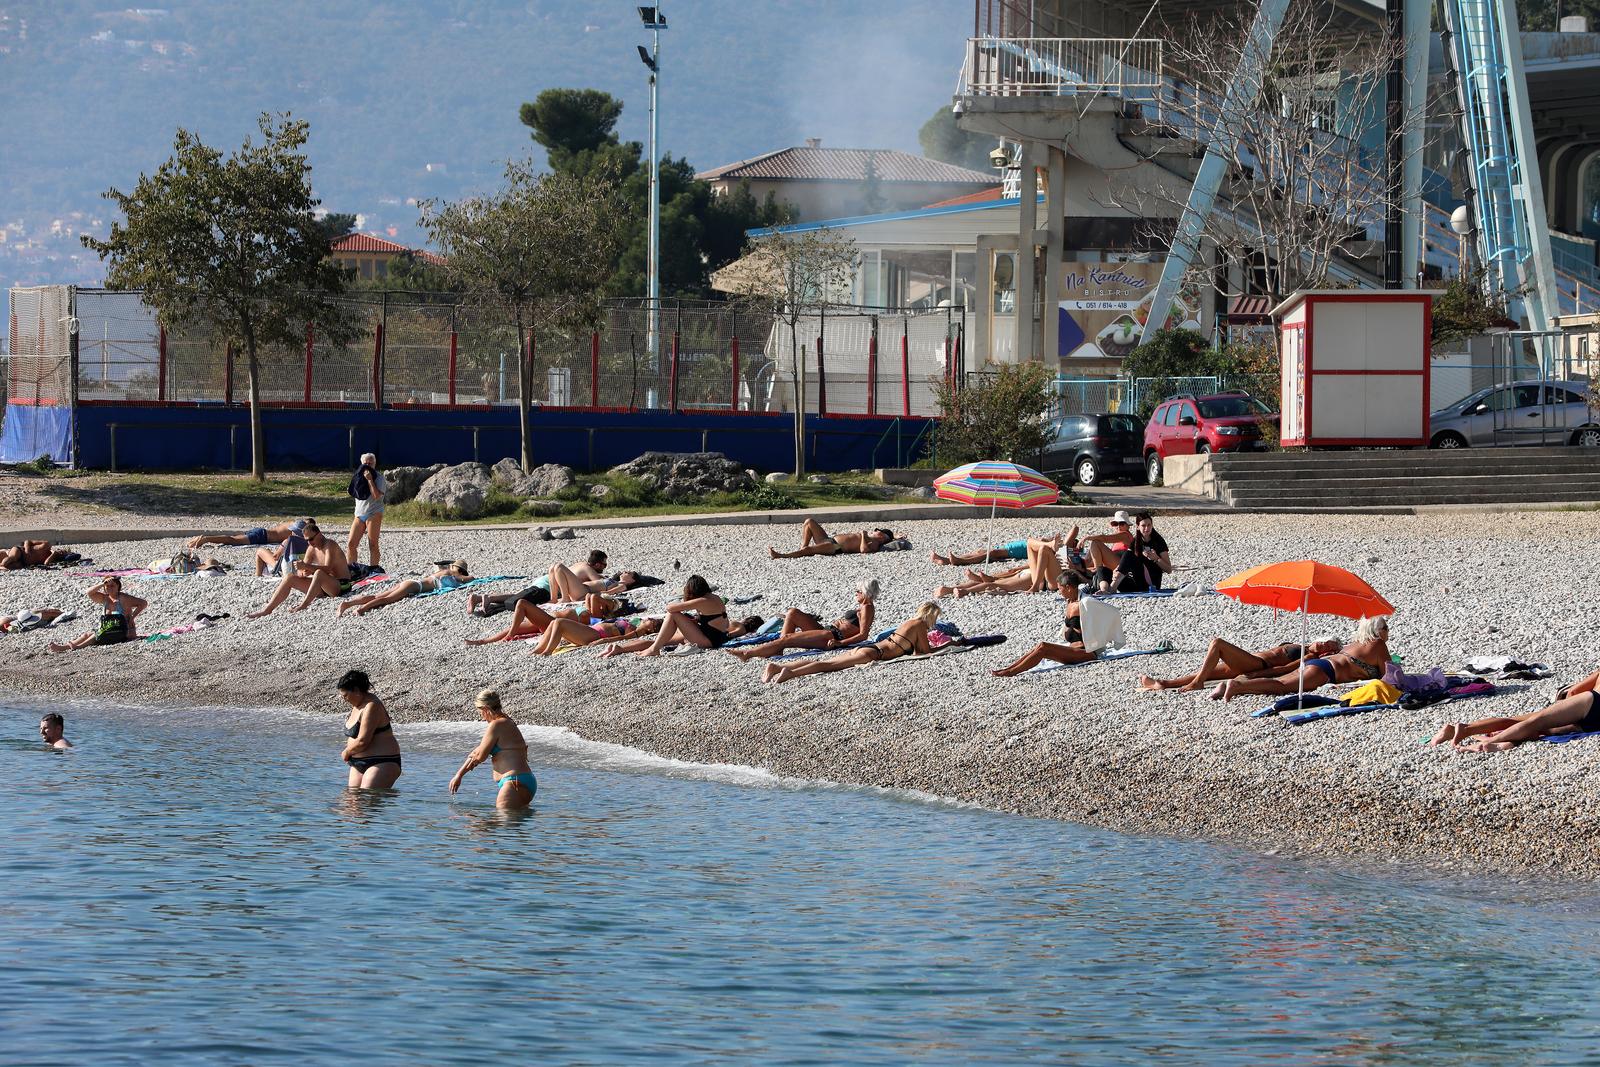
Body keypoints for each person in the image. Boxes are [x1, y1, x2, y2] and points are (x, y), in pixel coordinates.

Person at [1210, 617, 1392, 701]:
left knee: (1280, 681)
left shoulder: (1355, 643)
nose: (1388, 631)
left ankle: (1226, 686)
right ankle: (1237, 686)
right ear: (1378, 631)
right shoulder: (1378, 645)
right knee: (1281, 687)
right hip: (1325, 672)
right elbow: (1390, 677)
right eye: (1386, 628)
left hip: (1319, 665)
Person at [762, 602, 941, 684]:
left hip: (866, 649)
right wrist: (947, 646)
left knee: (823, 662)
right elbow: (923, 652)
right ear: (931, 616)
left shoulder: (908, 622)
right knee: (827, 665)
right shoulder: (920, 626)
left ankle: (777, 667)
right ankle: (789, 674)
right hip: (872, 654)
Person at [1432, 669, 1600, 751]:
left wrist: (1562, 706)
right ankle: (1476, 736)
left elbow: (1573, 692)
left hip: (1591, 702)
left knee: (1532, 721)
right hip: (1594, 723)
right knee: (1543, 730)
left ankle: (1470, 733)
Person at [596, 576, 754, 657]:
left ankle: (654, 649)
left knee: (673, 615)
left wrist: (685, 601)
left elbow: (670, 608)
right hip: (707, 636)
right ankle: (621, 649)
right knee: (659, 640)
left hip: (709, 641)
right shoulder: (714, 598)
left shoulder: (702, 600)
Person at [729, 580, 880, 660]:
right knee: (793, 612)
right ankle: (778, 649)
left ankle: (747, 654)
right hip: (826, 630)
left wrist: (840, 643)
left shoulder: (867, 608)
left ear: (866, 593)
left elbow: (863, 635)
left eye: (859, 590)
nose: (856, 592)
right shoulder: (862, 607)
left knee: (788, 637)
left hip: (831, 637)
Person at [1138, 637, 1342, 692]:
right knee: (1205, 670)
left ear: (1329, 652)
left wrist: (1256, 676)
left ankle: (1198, 683)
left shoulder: (1308, 658)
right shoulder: (1304, 644)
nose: (1322, 643)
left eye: (1328, 645)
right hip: (1250, 661)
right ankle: (1163, 683)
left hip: (1257, 665)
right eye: (1324, 639)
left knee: (1217, 644)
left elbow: (1284, 670)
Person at [448, 689, 535, 809]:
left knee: (499, 822)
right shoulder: (507, 722)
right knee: (509, 825)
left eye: (480, 712)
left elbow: (480, 756)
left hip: (513, 783)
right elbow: (478, 751)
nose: (482, 717)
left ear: (485, 709)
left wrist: (460, 774)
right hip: (521, 780)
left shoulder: (496, 725)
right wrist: (459, 775)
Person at [246, 520, 352, 617]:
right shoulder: (311, 548)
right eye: (307, 540)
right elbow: (301, 569)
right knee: (289, 577)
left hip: (341, 586)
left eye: (311, 539)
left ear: (319, 534)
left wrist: (307, 567)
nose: (310, 542)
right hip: (323, 587)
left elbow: (327, 569)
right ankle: (267, 609)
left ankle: (303, 605)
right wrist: (302, 572)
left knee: (318, 573)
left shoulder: (330, 545)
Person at [991, 582, 1095, 676]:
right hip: (1074, 649)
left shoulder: (1084, 607)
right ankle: (1009, 668)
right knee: (1040, 646)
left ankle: (1011, 672)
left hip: (1085, 653)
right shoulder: (1071, 604)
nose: (1058, 592)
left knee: (1043, 647)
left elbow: (1102, 616)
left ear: (1068, 588)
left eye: (1060, 589)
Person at [465, 592, 624, 645]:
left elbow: (594, 596)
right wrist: (608, 601)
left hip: (551, 623)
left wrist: (611, 603)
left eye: (606, 603)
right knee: (515, 626)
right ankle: (483, 641)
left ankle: (510, 636)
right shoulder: (592, 609)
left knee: (522, 604)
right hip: (548, 622)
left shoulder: (597, 616)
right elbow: (591, 596)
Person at [935, 538, 1067, 598]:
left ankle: (951, 590)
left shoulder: (1081, 564)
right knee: (1032, 542)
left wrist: (1086, 539)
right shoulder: (1065, 557)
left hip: (1038, 578)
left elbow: (1074, 533)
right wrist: (1019, 568)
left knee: (994, 583)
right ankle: (956, 590)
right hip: (1034, 576)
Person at [337, 669, 402, 788]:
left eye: (346, 695)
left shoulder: (372, 705)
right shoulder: (357, 704)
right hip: (357, 763)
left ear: (356, 690)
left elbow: (363, 741)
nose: (344, 699)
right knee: (351, 801)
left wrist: (346, 752)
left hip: (382, 761)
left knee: (367, 798)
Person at [335, 561, 471, 617]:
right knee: (386, 600)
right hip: (415, 586)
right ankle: (361, 609)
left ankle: (348, 603)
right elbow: (470, 578)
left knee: (377, 596)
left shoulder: (443, 571)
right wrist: (464, 576)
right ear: (460, 570)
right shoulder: (454, 575)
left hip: (410, 582)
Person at [48, 578, 147, 653]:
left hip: (125, 633)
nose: (109, 588)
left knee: (97, 634)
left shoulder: (124, 598)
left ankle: (77, 647)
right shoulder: (104, 598)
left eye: (112, 586)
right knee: (87, 635)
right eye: (107, 586)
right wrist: (102, 583)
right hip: (110, 631)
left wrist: (132, 617)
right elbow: (89, 592)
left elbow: (143, 603)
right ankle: (65, 647)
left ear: (118, 586)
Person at [1098, 512, 1172, 594]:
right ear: (1137, 527)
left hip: (1150, 585)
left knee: (1129, 554)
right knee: (1104, 568)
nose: (1147, 528)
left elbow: (1169, 569)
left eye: (1149, 525)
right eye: (1143, 526)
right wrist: (1117, 570)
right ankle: (1104, 590)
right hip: (1136, 585)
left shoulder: (1158, 541)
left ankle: (1112, 588)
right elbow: (1126, 560)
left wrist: (1156, 559)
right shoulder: (1136, 541)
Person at [527, 613, 663, 656]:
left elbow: (622, 638)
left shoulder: (635, 632)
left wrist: (602, 642)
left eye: (652, 622)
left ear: (651, 630)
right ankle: (539, 649)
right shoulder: (634, 623)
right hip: (591, 630)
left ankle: (548, 651)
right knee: (554, 623)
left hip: (595, 635)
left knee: (560, 622)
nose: (649, 619)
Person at [769, 519, 896, 559]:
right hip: (829, 539)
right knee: (809, 522)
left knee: (809, 549)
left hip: (836, 547)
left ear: (882, 537)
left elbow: (864, 551)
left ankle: (781, 555)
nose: (875, 531)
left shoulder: (874, 543)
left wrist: (863, 536)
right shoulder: (870, 536)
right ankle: (803, 549)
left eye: (878, 532)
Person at [931, 532, 1064, 567]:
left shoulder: (1051, 547)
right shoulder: (1049, 544)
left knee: (990, 553)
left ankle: (960, 561)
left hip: (1015, 551)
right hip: (1012, 547)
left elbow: (1073, 532)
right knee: (980, 551)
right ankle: (946, 560)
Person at [347, 453, 386, 571]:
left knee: (372, 544)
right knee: (351, 544)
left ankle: (374, 569)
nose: (368, 466)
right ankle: (351, 569)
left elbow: (376, 496)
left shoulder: (379, 478)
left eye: (371, 463)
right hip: (359, 514)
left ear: (375, 464)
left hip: (374, 513)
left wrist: (370, 480)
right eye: (366, 463)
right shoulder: (358, 476)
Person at [188, 520, 301, 550]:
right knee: (233, 540)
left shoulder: (291, 523)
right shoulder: (297, 528)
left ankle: (201, 539)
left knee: (233, 539)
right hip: (262, 536)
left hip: (260, 532)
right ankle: (206, 539)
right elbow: (295, 541)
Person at [1, 540, 72, 570]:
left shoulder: (53, 558)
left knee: (10, 567)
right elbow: (27, 541)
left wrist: (54, 554)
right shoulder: (46, 544)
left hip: (23, 563)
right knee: (12, 558)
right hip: (21, 551)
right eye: (62, 551)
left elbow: (46, 563)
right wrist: (27, 551)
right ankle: (3, 563)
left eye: (63, 554)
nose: (61, 553)